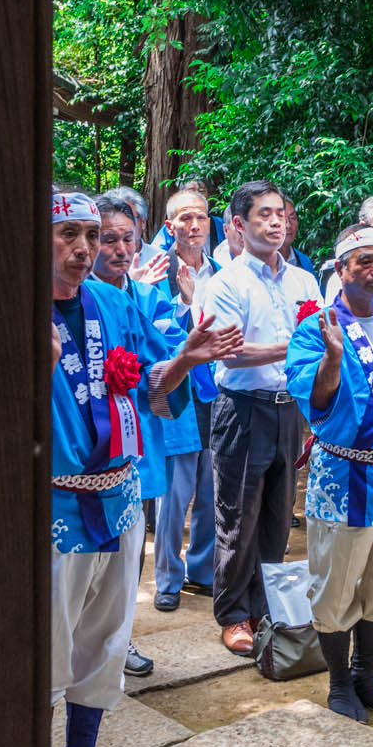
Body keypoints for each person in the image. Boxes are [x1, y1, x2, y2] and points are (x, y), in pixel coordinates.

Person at [49, 190, 237, 747]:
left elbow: (155, 388)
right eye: (71, 236)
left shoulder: (113, 302)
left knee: (107, 634)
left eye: (90, 236)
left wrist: (185, 359)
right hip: (54, 503)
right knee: (45, 641)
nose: (84, 250)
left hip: (121, 495)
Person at [285, 225, 373, 722]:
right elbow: (314, 403)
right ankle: (339, 683)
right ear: (340, 269)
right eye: (363, 261)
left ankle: (367, 674)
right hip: (343, 475)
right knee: (336, 582)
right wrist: (334, 359)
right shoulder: (315, 328)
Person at [202, 181, 322, 655]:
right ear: (238, 224)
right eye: (264, 215)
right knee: (237, 516)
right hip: (242, 411)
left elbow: (321, 341)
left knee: (277, 518)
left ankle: (267, 606)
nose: (276, 223)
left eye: (281, 214)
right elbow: (230, 355)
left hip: (288, 410)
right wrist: (296, 345)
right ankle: (232, 614)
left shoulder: (304, 281)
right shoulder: (227, 282)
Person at [90, 195, 176, 678]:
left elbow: (166, 359)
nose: (120, 249)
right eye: (108, 239)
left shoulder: (149, 296)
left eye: (128, 238)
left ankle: (121, 639)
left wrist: (188, 357)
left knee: (129, 547)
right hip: (79, 451)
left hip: (133, 438)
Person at [150, 188, 222, 611]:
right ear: (170, 226)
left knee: (212, 490)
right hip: (179, 393)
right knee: (174, 495)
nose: (195, 226)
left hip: (218, 391)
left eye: (201, 218)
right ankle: (167, 579)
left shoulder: (221, 269)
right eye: (186, 219)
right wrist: (187, 304)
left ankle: (203, 569)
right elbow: (157, 332)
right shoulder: (157, 271)